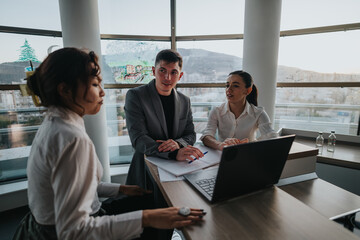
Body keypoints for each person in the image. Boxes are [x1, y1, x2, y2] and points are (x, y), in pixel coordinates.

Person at [13, 48, 205, 240]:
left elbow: (71, 185)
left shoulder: (55, 125)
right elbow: (73, 231)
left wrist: (121, 189)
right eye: (95, 84)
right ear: (65, 90)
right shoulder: (71, 138)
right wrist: (147, 218)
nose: (103, 92)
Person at [125, 49, 204, 191]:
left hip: (178, 170)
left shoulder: (185, 101)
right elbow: (138, 138)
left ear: (180, 76)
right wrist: (173, 153)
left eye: (173, 72)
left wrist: (177, 144)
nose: (167, 77)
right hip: (146, 168)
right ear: (153, 71)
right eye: (162, 70)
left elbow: (190, 134)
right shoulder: (136, 96)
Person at [201, 70, 278, 151]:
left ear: (247, 91)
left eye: (235, 86)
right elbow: (206, 137)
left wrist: (249, 144)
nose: (229, 89)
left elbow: (271, 137)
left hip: (247, 155)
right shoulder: (217, 110)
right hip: (222, 156)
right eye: (227, 85)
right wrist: (221, 145)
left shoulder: (258, 113)